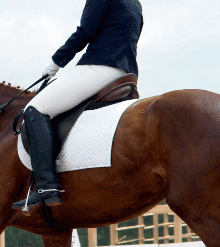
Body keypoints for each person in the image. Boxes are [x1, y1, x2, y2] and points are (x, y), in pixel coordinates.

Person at [13, 0, 144, 212]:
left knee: (36, 109)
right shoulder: (135, 2)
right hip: (126, 71)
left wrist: (56, 62)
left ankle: (46, 187)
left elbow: (86, 31)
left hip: (101, 64)